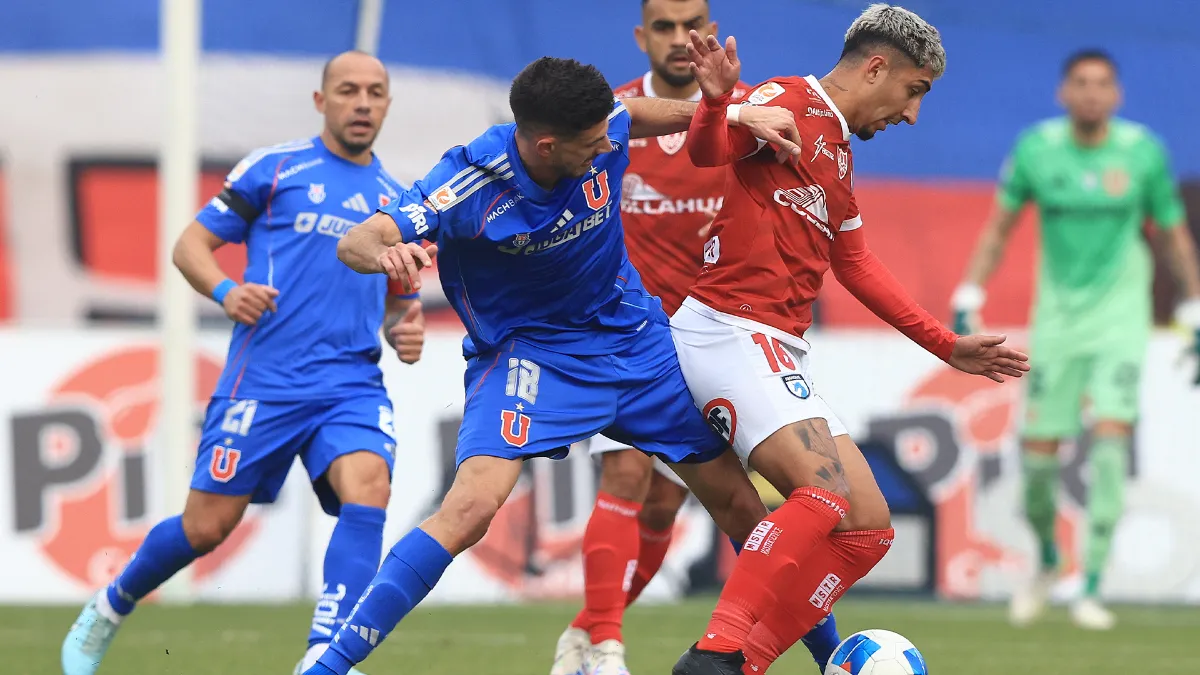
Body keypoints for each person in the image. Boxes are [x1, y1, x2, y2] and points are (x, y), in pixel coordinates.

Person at [300, 53, 805, 675]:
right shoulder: (469, 182)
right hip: (531, 355)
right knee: (471, 509)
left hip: (632, 338)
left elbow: (634, 114)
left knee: (738, 502)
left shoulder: (602, 126)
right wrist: (388, 257)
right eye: (592, 146)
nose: (606, 150)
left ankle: (836, 657)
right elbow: (359, 239)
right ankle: (329, 665)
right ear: (544, 144)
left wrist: (731, 109)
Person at [667, 6, 1031, 674]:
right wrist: (721, 102)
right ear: (876, 67)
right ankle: (715, 651)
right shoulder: (784, 100)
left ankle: (742, 661)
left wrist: (946, 345)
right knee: (823, 494)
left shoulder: (834, 151)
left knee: (866, 527)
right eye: (914, 91)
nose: (912, 114)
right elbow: (706, 150)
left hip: (773, 344)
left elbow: (855, 263)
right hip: (728, 328)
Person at [60, 51, 425, 675]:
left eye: (374, 92)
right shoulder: (277, 168)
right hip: (264, 382)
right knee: (206, 527)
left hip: (350, 384)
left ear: (388, 104)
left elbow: (401, 304)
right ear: (321, 101)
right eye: (347, 90)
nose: (362, 102)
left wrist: (405, 330)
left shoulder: (396, 202)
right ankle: (111, 604)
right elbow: (190, 245)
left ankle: (325, 654)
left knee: (370, 488)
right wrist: (227, 292)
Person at [552, 2, 840, 674]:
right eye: (664, 27)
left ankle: (588, 628)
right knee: (626, 472)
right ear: (640, 38)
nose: (681, 40)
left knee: (677, 501)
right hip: (630, 334)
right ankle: (606, 648)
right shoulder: (610, 119)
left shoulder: (754, 114)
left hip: (718, 334)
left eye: (694, 24)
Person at [951, 49, 1200, 631]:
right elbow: (999, 228)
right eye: (1081, 84)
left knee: (1111, 443)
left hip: (1121, 318)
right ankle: (1046, 560)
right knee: (1038, 463)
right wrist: (969, 293)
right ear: (1064, 93)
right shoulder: (1037, 150)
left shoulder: (1142, 154)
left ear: (1117, 95)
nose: (1091, 93)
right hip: (1058, 321)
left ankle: (1089, 586)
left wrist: (1192, 305)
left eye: (1102, 84)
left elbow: (1172, 236)